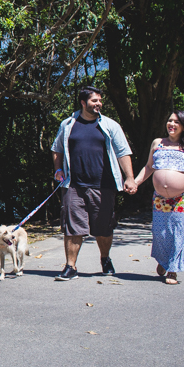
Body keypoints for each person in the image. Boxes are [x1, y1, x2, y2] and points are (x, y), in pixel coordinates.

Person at [51, 86, 137, 280]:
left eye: (99, 100)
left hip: (103, 185)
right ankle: (70, 267)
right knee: (73, 227)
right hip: (73, 184)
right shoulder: (68, 124)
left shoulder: (109, 125)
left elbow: (123, 151)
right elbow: (57, 148)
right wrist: (58, 169)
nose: (98, 104)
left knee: (103, 227)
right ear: (83, 103)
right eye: (94, 101)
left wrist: (129, 178)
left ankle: (105, 258)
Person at [132, 111, 184, 284]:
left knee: (178, 232)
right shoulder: (158, 143)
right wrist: (135, 182)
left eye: (176, 122)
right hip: (160, 198)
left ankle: (172, 269)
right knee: (160, 232)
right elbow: (149, 167)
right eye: (169, 120)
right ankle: (164, 260)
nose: (171, 124)